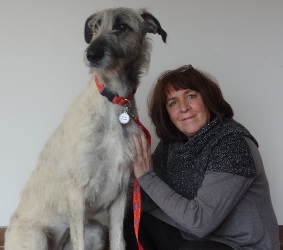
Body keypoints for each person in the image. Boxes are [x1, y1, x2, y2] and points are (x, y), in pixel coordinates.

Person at [123, 65, 279, 250]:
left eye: (191, 96)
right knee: (134, 219)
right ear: (167, 114)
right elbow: (148, 199)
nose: (184, 108)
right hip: (191, 237)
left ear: (207, 99)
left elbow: (199, 222)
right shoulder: (171, 145)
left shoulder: (233, 144)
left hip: (241, 246)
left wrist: (147, 176)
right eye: (173, 102)